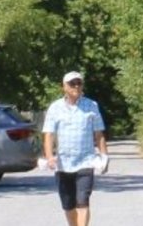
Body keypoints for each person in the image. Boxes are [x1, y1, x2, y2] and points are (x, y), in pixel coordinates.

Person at [42, 70, 108, 226]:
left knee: (83, 201)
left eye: (79, 83)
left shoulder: (91, 106)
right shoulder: (55, 107)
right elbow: (49, 135)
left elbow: (99, 134)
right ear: (64, 86)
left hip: (86, 161)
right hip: (63, 164)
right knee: (68, 204)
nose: (76, 86)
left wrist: (104, 157)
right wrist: (50, 156)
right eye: (72, 83)